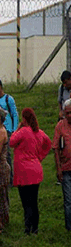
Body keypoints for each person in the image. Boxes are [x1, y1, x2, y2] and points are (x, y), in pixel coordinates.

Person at [9, 108, 51, 235]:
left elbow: (11, 142)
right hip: (36, 169)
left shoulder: (23, 131)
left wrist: (17, 128)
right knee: (34, 201)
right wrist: (40, 157)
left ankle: (27, 228)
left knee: (25, 202)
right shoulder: (39, 132)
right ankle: (35, 228)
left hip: (23, 171)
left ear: (24, 118)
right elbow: (48, 144)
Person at [0, 79, 19, 186]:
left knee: (7, 156)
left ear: (0, 87)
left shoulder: (8, 99)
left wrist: (14, 130)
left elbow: (14, 114)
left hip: (8, 131)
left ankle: (10, 179)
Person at [52, 98, 71, 231]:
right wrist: (58, 168)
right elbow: (56, 148)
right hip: (66, 168)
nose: (69, 116)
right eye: (67, 113)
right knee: (68, 200)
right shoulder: (60, 126)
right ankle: (69, 227)